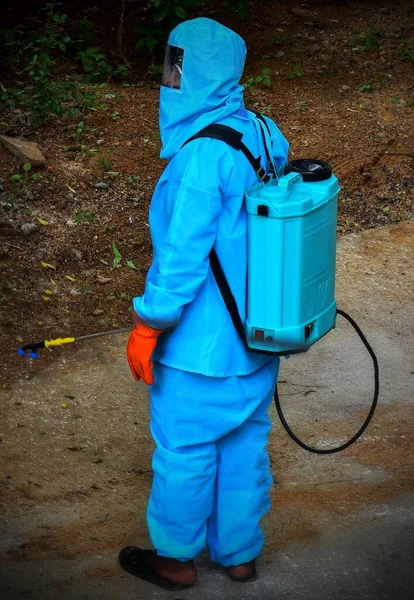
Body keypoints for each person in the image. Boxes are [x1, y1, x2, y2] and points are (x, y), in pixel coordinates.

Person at [120, 17, 289, 591]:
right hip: (258, 334)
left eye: (177, 67)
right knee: (244, 442)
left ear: (199, 73)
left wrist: (150, 324)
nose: (169, 81)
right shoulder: (264, 132)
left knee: (185, 450)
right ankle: (239, 553)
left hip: (198, 347)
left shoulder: (197, 161)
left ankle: (174, 559)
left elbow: (179, 259)